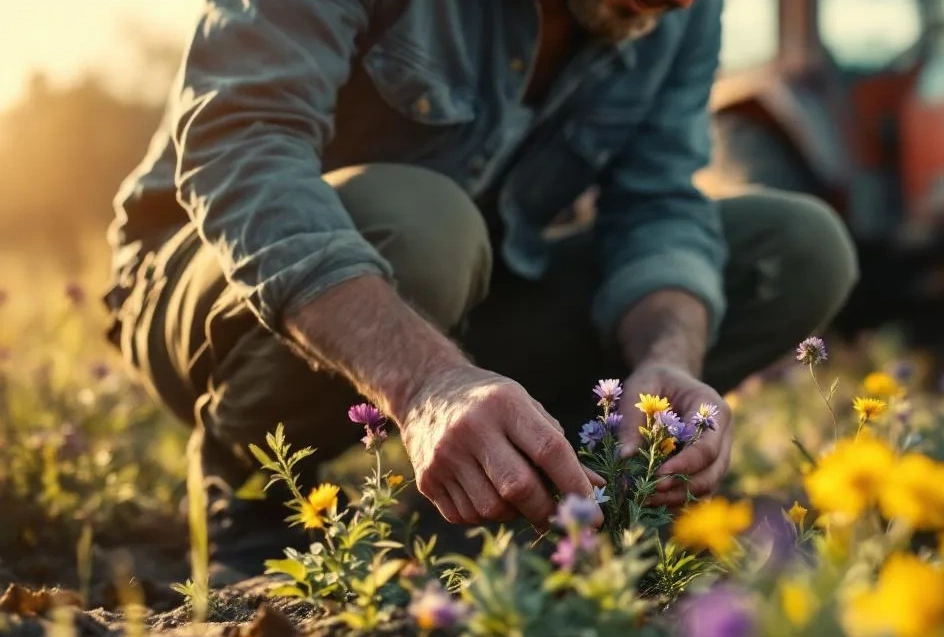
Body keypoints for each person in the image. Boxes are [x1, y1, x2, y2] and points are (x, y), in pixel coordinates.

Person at [102, 0, 859, 580]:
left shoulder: (675, 12)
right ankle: (251, 478)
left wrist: (665, 356)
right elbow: (241, 149)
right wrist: (426, 383)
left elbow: (658, 202)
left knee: (796, 248)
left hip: (468, 288)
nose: (684, 7)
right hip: (213, 282)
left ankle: (545, 472)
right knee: (429, 228)